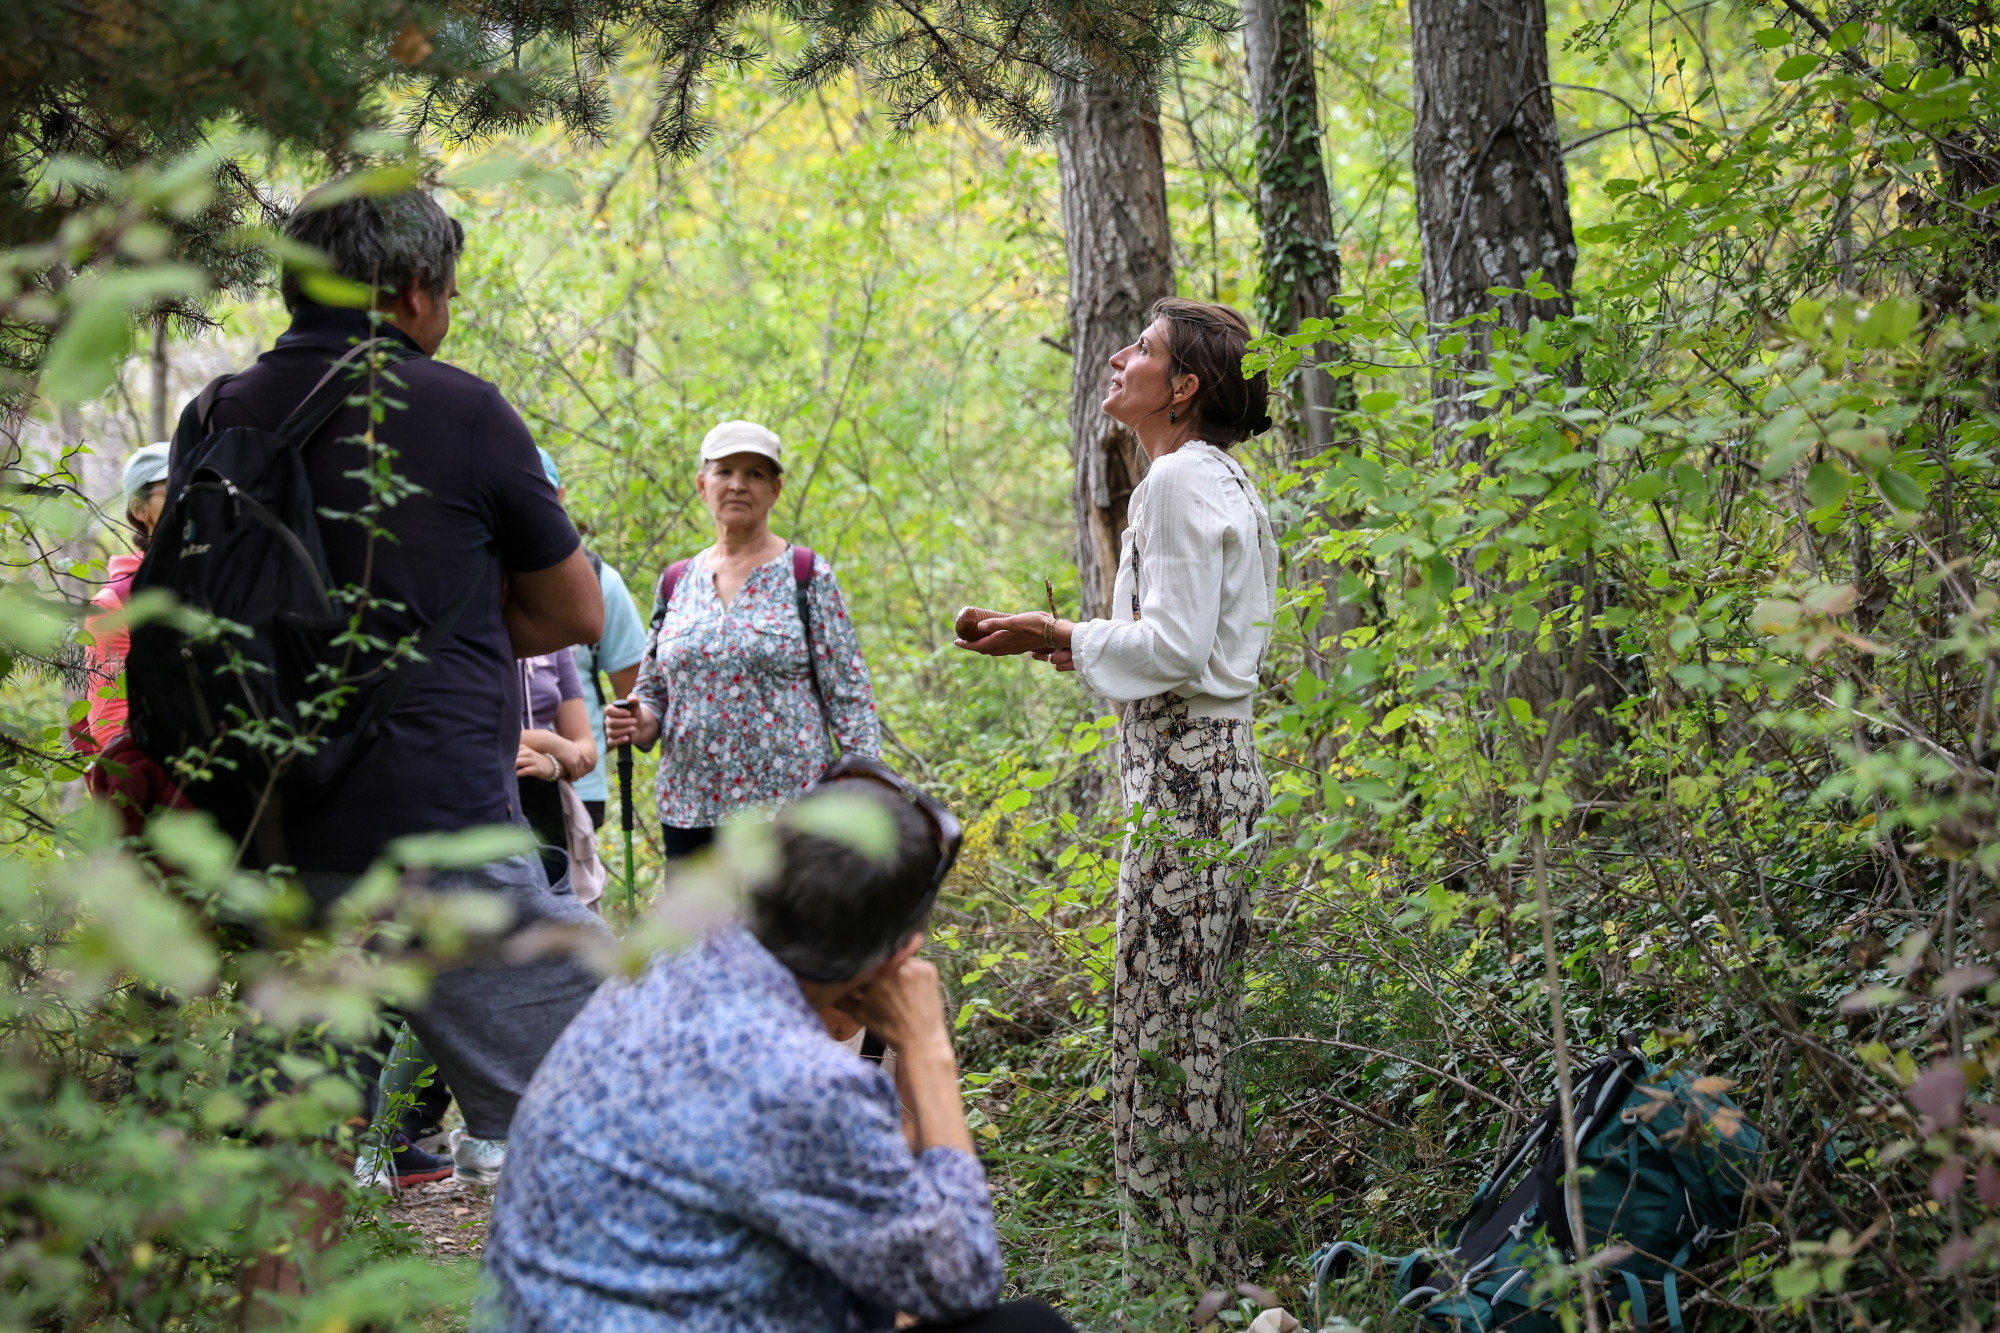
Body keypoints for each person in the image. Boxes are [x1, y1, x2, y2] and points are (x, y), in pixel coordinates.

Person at [163, 180, 609, 1293]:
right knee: (610, 1097)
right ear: (413, 291)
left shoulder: (219, 416)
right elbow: (571, 616)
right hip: (444, 836)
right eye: (445, 290)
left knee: (291, 1156)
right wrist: (455, 618)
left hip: (280, 837)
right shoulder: (463, 412)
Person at [481, 757, 1073, 1333]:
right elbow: (962, 1277)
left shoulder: (666, 959)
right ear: (899, 955)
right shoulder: (806, 1082)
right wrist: (926, 1050)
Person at [954, 298, 1279, 1278]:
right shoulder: (1216, 479)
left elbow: (1176, 650)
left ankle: (1176, 1288)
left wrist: (1059, 633)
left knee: (1161, 1041)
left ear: (1181, 388)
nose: (1116, 356)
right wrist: (1070, 647)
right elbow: (1188, 642)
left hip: (1190, 779)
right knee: (1188, 1033)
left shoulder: (1177, 483)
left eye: (1140, 348)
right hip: (1209, 772)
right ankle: (1202, 1275)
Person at [604, 420, 881, 860]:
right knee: (698, 932)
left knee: (786, 931)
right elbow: (653, 691)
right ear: (702, 485)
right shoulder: (676, 582)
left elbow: (851, 699)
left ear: (775, 490)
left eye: (754, 474)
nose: (737, 485)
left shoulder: (807, 576)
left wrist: (865, 800)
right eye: (724, 472)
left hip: (791, 815)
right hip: (690, 813)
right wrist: (637, 720)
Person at [536, 447, 648, 831]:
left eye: (541, 494)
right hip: (501, 785)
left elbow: (633, 692)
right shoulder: (482, 580)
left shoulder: (598, 582)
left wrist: (583, 747)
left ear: (560, 496)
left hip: (581, 786)